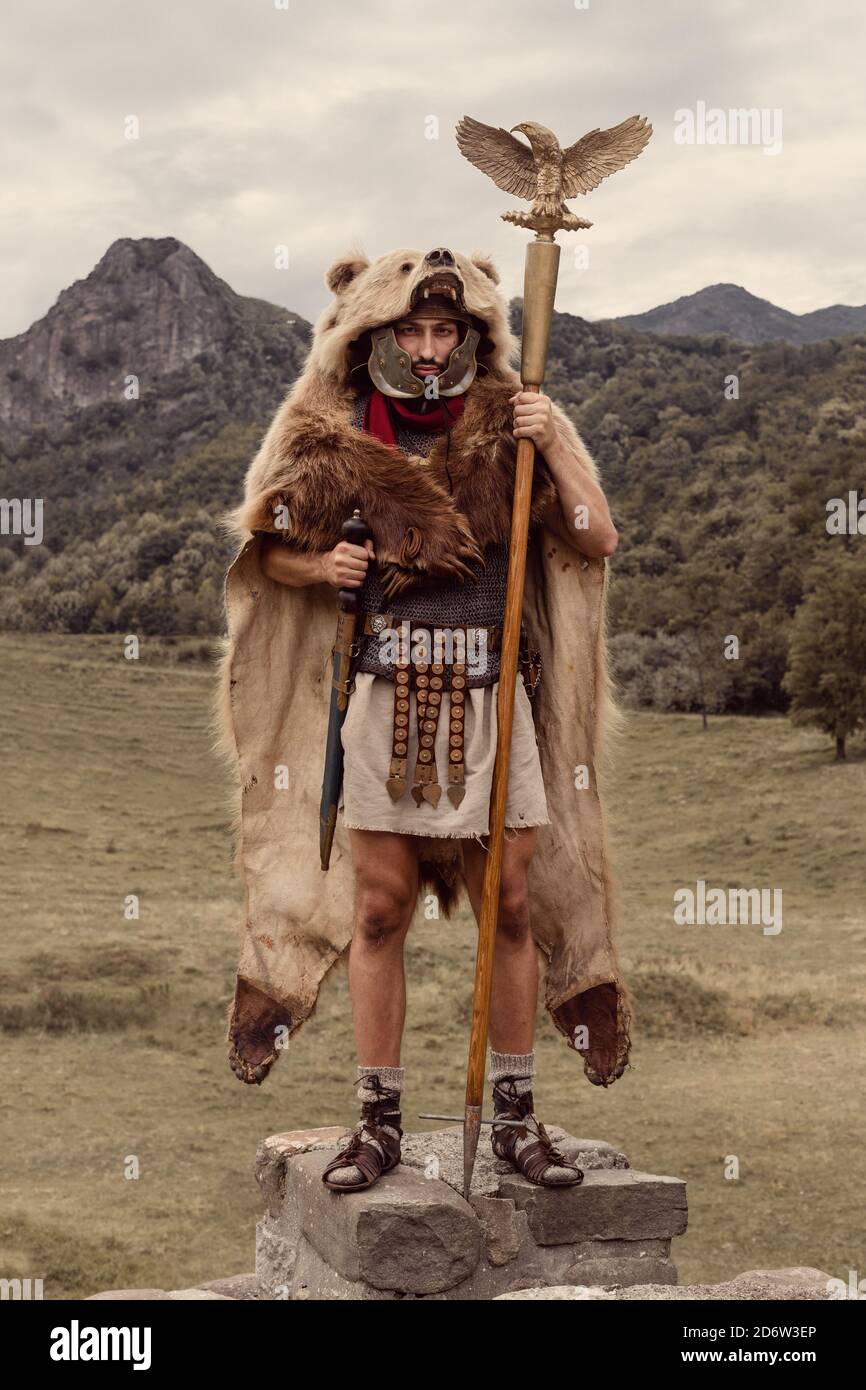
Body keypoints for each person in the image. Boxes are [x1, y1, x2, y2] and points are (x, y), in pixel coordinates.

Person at [219, 246, 633, 1194]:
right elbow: (266, 549)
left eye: (447, 329)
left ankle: (517, 1123)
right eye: (413, 328)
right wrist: (322, 570)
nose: (431, 345)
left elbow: (597, 536)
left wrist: (553, 438)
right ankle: (378, 1124)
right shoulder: (330, 428)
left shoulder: (516, 417)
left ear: (473, 335)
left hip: (496, 696)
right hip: (381, 699)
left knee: (513, 909)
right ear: (377, 332)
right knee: (378, 911)